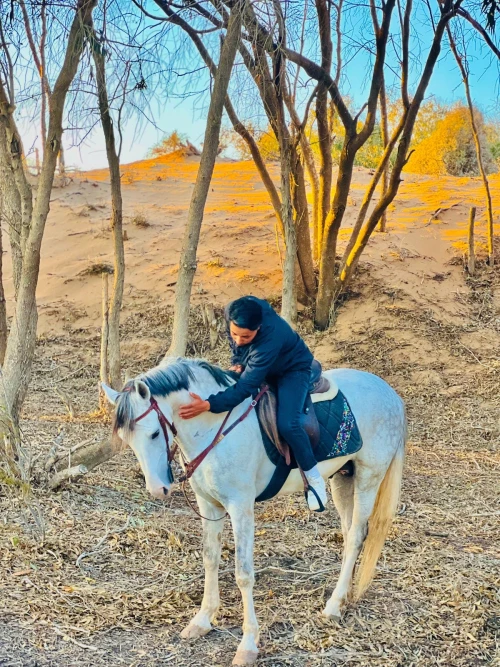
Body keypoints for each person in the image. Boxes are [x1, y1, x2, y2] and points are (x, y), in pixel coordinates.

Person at [178, 296, 328, 511]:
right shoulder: (233, 310)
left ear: (258, 328)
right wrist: (238, 361)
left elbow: (246, 388)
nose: (238, 340)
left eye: (246, 336)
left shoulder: (271, 337)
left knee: (288, 423)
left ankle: (314, 478)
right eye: (234, 333)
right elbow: (237, 345)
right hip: (258, 361)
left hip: (292, 369)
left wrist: (209, 405)